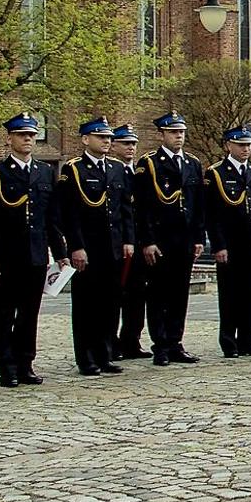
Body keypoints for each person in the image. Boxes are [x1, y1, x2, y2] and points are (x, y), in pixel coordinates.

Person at [0, 113, 63, 387]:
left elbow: (51, 218)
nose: (27, 139)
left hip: (35, 255)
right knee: (3, 313)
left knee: (29, 313)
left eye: (31, 135)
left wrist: (59, 252)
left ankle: (25, 362)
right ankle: (6, 365)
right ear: (9, 138)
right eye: (22, 134)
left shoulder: (45, 172)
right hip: (6, 256)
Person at [57, 116, 134, 377]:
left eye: (109, 138)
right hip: (89, 249)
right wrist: (76, 246)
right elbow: (70, 213)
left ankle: (105, 353)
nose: (106, 142)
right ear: (85, 139)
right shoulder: (74, 169)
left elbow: (124, 208)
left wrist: (128, 240)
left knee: (110, 304)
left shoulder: (115, 168)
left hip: (112, 246)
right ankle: (87, 357)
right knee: (86, 306)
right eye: (101, 137)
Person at [133, 112, 204, 366]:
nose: (179, 137)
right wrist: (147, 240)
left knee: (179, 294)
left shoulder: (192, 163)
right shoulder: (150, 163)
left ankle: (175, 341)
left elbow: (197, 205)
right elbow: (142, 207)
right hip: (161, 238)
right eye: (174, 132)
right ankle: (160, 344)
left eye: (181, 132)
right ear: (161, 134)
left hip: (184, 239)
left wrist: (198, 237)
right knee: (159, 294)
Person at [205, 126, 251, 359]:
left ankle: (248, 340)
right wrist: (218, 245)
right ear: (228, 146)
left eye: (249, 145)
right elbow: (212, 214)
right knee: (230, 295)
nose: (246, 149)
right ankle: (229, 341)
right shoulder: (216, 173)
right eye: (241, 145)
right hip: (231, 244)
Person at [111, 124, 151, 360]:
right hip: (119, 243)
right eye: (125, 143)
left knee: (137, 295)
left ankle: (131, 340)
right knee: (117, 294)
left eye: (133, 144)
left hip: (138, 242)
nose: (130, 148)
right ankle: (112, 342)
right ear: (114, 145)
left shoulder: (139, 173)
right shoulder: (112, 172)